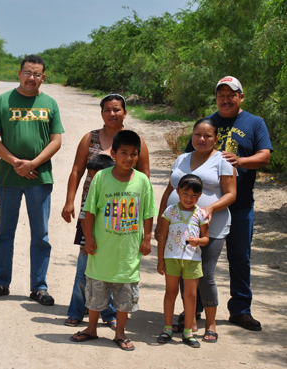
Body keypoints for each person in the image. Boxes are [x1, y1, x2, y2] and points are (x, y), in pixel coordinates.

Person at [188, 76, 272, 331]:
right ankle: (195, 308)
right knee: (198, 256)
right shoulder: (208, 122)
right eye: (221, 95)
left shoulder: (254, 123)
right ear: (216, 98)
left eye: (231, 94)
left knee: (240, 257)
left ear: (241, 97)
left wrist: (241, 161)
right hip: (204, 207)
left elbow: (265, 155)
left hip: (240, 203)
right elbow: (189, 153)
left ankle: (240, 310)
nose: (225, 99)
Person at [61, 93, 150, 327]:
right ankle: (77, 310)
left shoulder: (135, 141)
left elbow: (145, 180)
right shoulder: (89, 139)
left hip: (123, 217)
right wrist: (70, 201)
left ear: (125, 112)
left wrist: (142, 222)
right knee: (87, 262)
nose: (113, 114)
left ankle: (109, 314)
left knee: (116, 264)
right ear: (101, 113)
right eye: (108, 110)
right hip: (90, 211)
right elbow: (76, 171)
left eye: (117, 109)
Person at [0, 54, 64, 306]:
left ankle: (39, 287)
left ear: (43, 77)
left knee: (41, 235)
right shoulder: (2, 102)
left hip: (40, 179)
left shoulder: (49, 103)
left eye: (37, 74)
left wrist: (33, 164)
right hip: (9, 178)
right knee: (5, 232)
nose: (32, 78)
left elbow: (56, 140)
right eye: (28, 72)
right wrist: (16, 163)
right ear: (19, 74)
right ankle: (1, 282)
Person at [69, 130, 157, 351]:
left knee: (124, 296)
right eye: (123, 153)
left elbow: (148, 213)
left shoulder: (143, 182)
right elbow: (89, 211)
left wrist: (147, 239)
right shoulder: (101, 177)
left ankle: (120, 333)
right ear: (114, 154)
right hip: (101, 250)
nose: (128, 158)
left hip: (127, 253)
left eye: (133, 154)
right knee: (96, 291)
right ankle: (91, 328)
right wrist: (88, 238)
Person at [157, 117, 236, 342]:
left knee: (205, 275)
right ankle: (190, 321)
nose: (201, 139)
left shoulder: (223, 160)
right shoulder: (182, 158)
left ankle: (210, 324)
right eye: (197, 135)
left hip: (210, 226)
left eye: (207, 135)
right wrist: (160, 222)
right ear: (192, 136)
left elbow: (231, 193)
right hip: (177, 228)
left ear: (216, 139)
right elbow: (169, 189)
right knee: (183, 275)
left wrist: (209, 208)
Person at [156, 174, 210, 348]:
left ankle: (188, 332)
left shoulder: (201, 213)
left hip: (192, 260)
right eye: (185, 194)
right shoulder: (170, 211)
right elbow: (162, 236)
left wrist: (198, 241)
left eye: (194, 196)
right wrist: (160, 260)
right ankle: (167, 329)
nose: (189, 199)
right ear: (178, 192)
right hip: (171, 258)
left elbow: (206, 238)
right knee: (170, 292)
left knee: (191, 295)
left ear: (200, 195)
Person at [64, 154, 115, 328]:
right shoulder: (90, 193)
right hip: (88, 242)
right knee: (82, 277)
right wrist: (87, 241)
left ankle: (109, 315)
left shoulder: (115, 193)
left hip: (110, 243)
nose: (93, 180)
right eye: (91, 176)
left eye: (97, 175)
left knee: (109, 278)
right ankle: (76, 312)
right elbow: (85, 218)